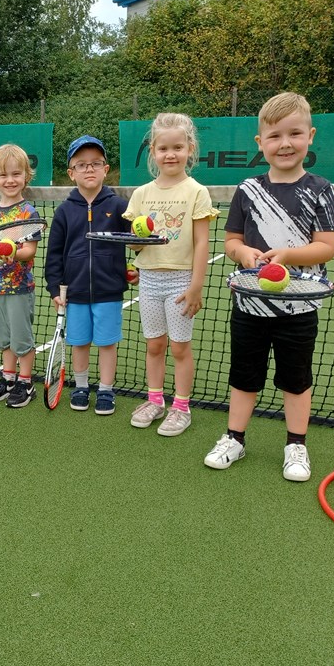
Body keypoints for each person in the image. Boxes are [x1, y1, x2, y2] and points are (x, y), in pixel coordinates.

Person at [204, 92, 334, 481]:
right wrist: (245, 254)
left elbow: (326, 247)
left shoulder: (320, 189)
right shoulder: (247, 189)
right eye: (275, 136)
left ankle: (296, 445)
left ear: (310, 136)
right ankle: (234, 438)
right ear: (260, 142)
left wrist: (285, 255)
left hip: (300, 308)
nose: (285, 143)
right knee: (244, 375)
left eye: (294, 133)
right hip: (250, 306)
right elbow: (231, 241)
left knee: (296, 379)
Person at [123, 113, 219, 437]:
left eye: (178, 147)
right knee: (154, 345)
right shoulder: (140, 195)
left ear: (190, 148)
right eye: (163, 148)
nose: (170, 154)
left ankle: (181, 407)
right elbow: (136, 245)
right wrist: (135, 243)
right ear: (153, 151)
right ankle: (155, 401)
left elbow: (203, 241)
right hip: (149, 280)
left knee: (179, 348)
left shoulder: (197, 192)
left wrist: (196, 287)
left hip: (181, 281)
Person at [44, 135, 130, 415]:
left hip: (109, 290)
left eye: (96, 163)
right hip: (75, 292)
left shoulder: (119, 206)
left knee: (107, 343)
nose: (89, 169)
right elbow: (54, 253)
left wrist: (134, 269)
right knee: (79, 342)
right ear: (71, 174)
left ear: (106, 169)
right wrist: (55, 288)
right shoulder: (64, 211)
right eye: (81, 165)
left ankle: (106, 390)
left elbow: (135, 242)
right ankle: (81, 387)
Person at [0, 144, 43, 408]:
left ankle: (26, 383)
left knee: (21, 339)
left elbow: (29, 251)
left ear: (26, 176)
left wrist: (12, 251)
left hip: (19, 288)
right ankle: (9, 379)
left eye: (16, 174)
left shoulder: (28, 213)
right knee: (3, 339)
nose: (10, 180)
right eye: (3, 175)